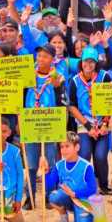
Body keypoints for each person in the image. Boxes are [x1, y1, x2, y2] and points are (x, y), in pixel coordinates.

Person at [66, 47, 112, 193]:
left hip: (102, 123)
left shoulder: (104, 77)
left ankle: (103, 185)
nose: (89, 64)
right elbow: (72, 106)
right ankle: (86, 185)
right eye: (86, 61)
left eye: (92, 62)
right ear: (81, 62)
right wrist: (88, 126)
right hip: (84, 124)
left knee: (100, 156)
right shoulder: (74, 81)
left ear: (96, 63)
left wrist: (104, 123)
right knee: (84, 154)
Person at [23, 44, 64, 205]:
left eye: (45, 56)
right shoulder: (28, 75)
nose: (41, 59)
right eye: (39, 55)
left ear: (52, 59)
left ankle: (49, 194)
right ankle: (30, 196)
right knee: (31, 163)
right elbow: (20, 96)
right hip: (31, 121)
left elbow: (62, 101)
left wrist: (58, 86)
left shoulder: (57, 77)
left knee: (50, 161)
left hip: (50, 122)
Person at [43, 132, 99, 222]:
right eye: (62, 147)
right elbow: (50, 186)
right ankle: (63, 212)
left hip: (82, 200)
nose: (64, 150)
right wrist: (46, 172)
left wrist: (74, 193)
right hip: (66, 198)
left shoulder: (86, 166)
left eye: (67, 146)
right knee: (54, 197)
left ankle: (80, 214)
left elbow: (93, 189)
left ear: (77, 147)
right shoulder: (58, 165)